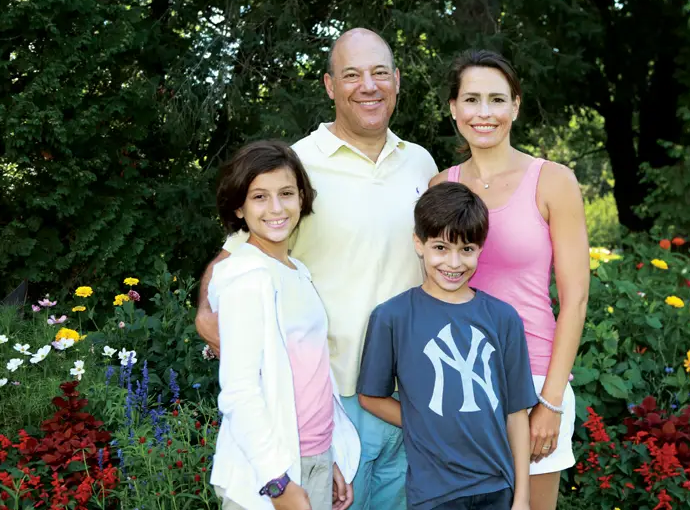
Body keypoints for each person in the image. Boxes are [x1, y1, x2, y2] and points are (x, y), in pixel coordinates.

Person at [195, 29, 439, 509]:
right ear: (330, 86)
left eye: (379, 73)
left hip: (411, 394)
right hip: (336, 399)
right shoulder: (296, 167)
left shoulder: (421, 163)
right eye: (351, 75)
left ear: (397, 81)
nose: (367, 86)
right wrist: (208, 312)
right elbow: (235, 258)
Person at [430, 50, 590, 510]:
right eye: (472, 99)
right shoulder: (440, 186)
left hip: (535, 376)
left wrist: (552, 400)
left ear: (515, 106)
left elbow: (575, 297)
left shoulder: (552, 180)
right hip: (459, 379)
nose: (484, 113)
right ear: (454, 108)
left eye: (497, 99)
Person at [357, 182, 536, 510]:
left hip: (498, 485)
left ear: (480, 248)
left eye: (466, 249)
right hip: (434, 492)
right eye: (441, 247)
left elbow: (515, 412)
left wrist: (522, 497)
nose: (453, 263)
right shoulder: (392, 317)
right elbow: (370, 396)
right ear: (419, 243)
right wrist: (422, 421)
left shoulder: (503, 318)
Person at [207, 141, 360, 510]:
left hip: (313, 458)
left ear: (302, 197)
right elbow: (239, 392)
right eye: (260, 196)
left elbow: (311, 375)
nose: (276, 208)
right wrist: (277, 482)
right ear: (239, 207)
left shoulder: (296, 271)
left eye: (286, 193)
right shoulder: (245, 276)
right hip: (270, 475)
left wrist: (329, 456)